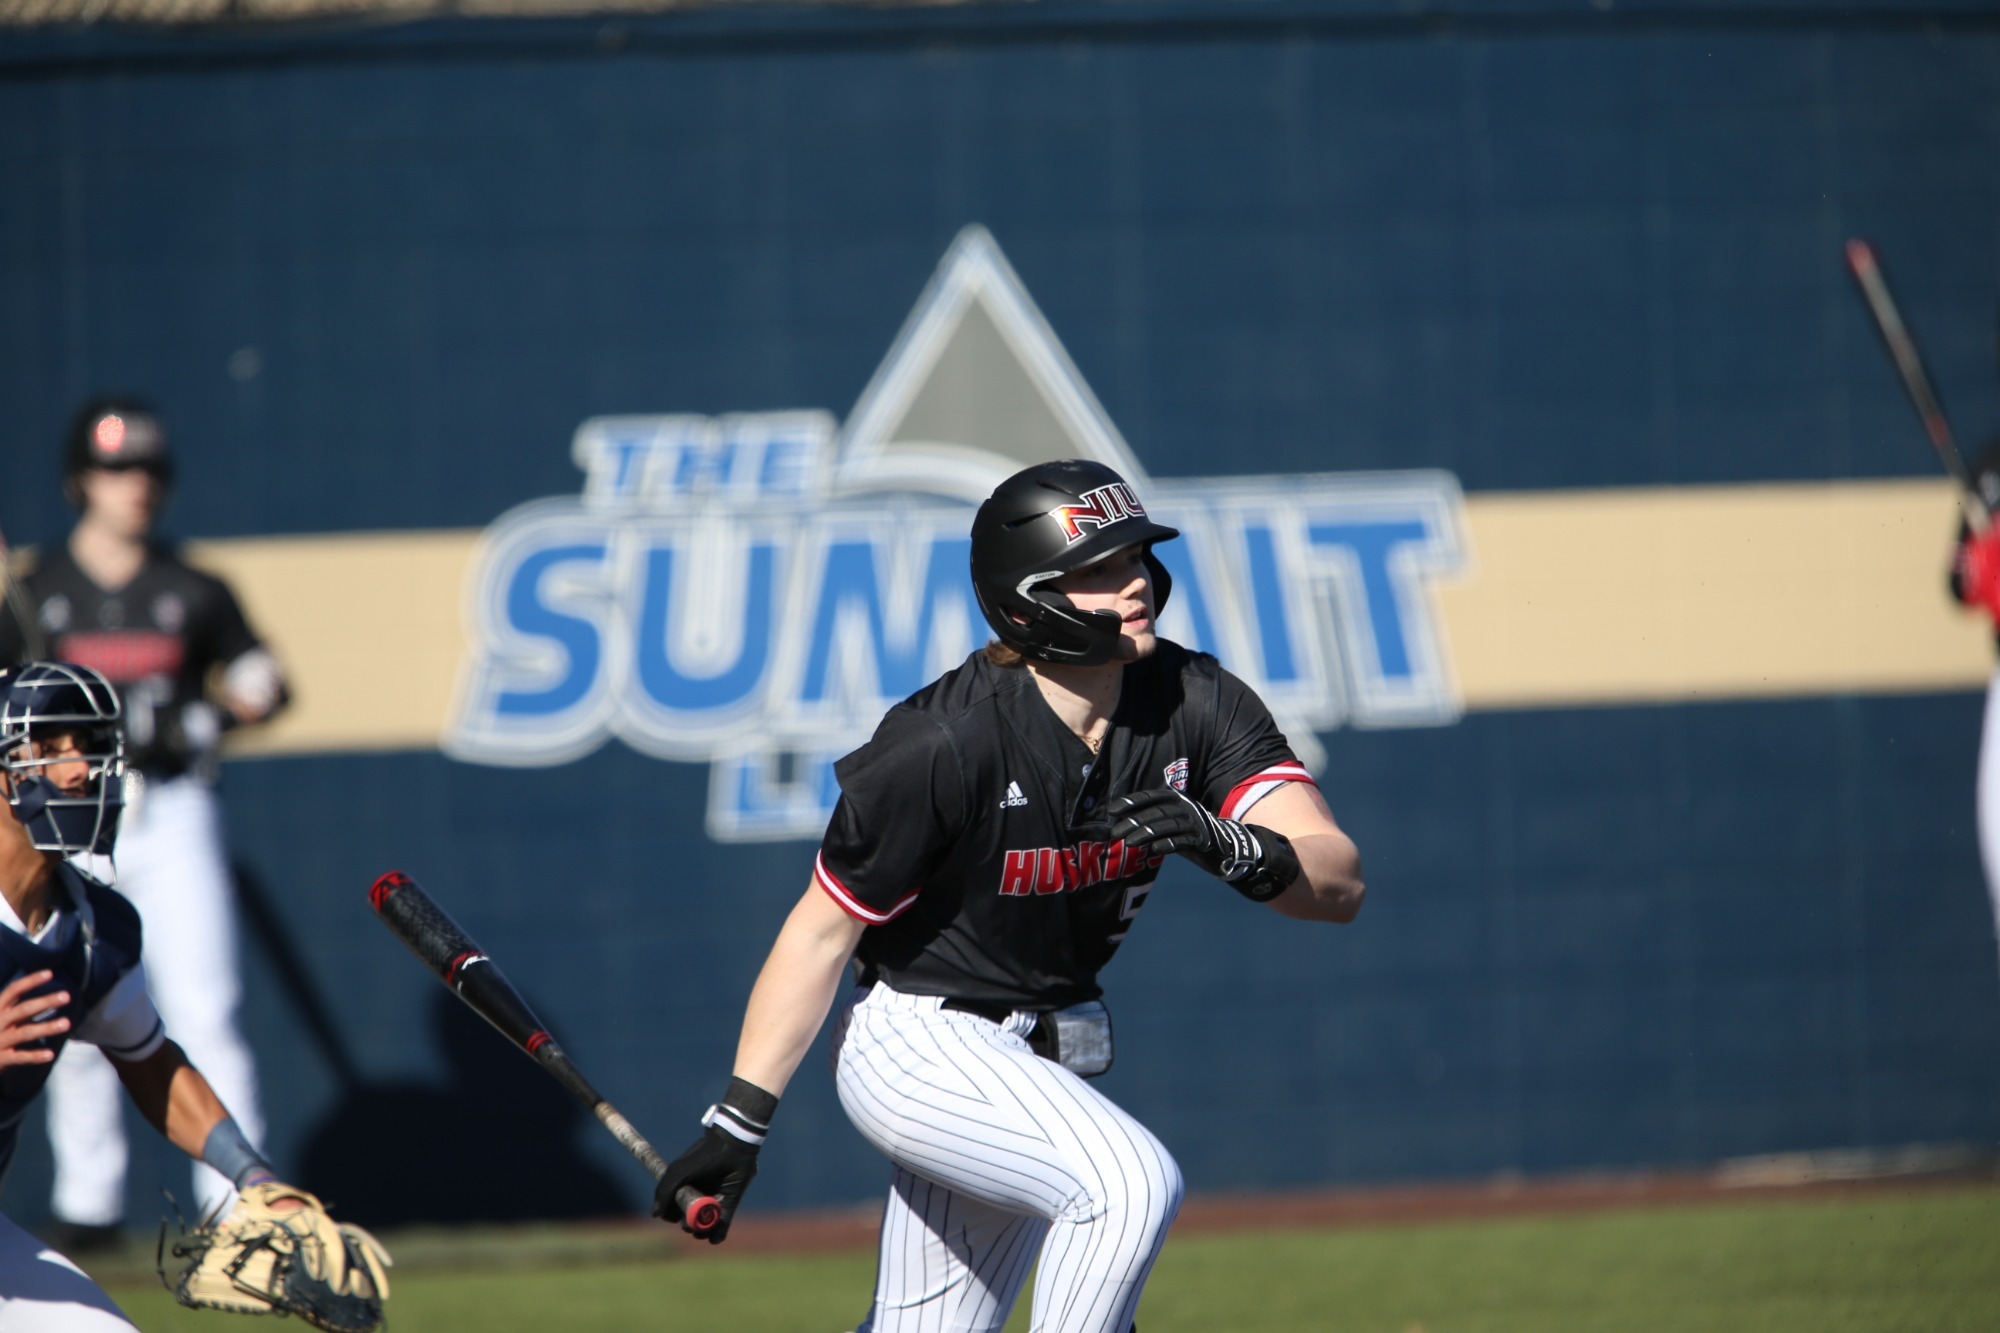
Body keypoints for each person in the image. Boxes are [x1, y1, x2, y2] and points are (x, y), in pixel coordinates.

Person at [652, 459, 1366, 1333]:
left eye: (1136, 557)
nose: (1135, 579)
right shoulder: (941, 741)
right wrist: (739, 1121)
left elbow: (1337, 881)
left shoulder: (1195, 699)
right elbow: (822, 930)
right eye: (1097, 568)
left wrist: (1233, 845)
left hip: (1035, 1062)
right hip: (914, 1041)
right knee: (1127, 1183)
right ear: (1027, 599)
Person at [0, 661, 377, 1331]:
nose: (77, 767)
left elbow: (151, 1062)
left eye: (85, 744)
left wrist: (254, 1178)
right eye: (48, 748)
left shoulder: (91, 929)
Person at [0, 396, 288, 1251]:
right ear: (80, 480)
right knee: (70, 1022)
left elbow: (263, 681)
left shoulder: (192, 587)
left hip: (163, 803)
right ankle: (90, 1203)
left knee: (173, 1002)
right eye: (117, 468)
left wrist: (212, 714)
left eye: (150, 470)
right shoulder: (34, 591)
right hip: (32, 822)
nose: (136, 486)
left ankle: (239, 1212)